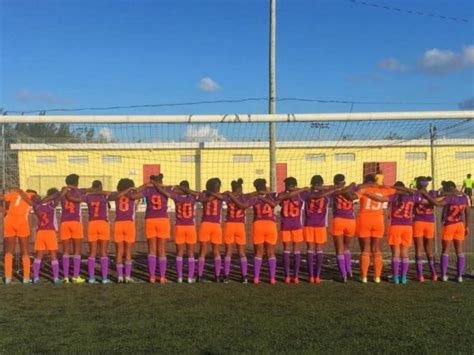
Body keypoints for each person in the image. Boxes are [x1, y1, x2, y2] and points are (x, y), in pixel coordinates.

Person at [364, 182, 418, 284]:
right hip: (408, 227)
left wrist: (366, 193)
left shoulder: (394, 197)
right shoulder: (412, 197)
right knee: (405, 253)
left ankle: (395, 277)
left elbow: (379, 199)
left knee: (395, 253)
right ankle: (404, 277)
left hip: (395, 226)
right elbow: (417, 193)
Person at [66, 180, 112, 284]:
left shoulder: (88, 196)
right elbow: (112, 193)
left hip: (92, 224)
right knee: (103, 252)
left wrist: (66, 189)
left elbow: (71, 198)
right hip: (103, 223)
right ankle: (104, 278)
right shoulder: (105, 196)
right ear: (100, 187)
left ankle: (91, 278)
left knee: (92, 252)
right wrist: (100, 192)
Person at [154, 180, 199, 283]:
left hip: (179, 227)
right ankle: (190, 277)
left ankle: (179, 277)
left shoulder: (176, 197)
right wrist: (186, 190)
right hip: (190, 227)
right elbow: (198, 194)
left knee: (179, 253)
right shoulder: (192, 197)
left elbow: (163, 191)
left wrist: (155, 184)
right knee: (191, 253)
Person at [18, 188, 64, 284]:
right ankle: (55, 278)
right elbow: (57, 196)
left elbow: (28, 200)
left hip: (40, 233)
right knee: (53, 256)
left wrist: (22, 193)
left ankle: (35, 277)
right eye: (36, 196)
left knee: (39, 256)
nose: (38, 196)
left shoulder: (36, 206)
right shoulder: (51, 205)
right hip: (49, 232)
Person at [357, 174, 396, 283]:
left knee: (365, 249)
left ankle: (364, 276)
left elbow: (355, 194)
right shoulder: (383, 190)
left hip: (364, 219)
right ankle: (377, 277)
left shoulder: (363, 189)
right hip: (378, 220)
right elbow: (394, 189)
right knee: (376, 249)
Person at [109, 178, 142, 283]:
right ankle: (127, 276)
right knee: (128, 251)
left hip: (118, 223)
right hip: (129, 224)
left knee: (119, 251)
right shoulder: (133, 195)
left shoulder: (116, 194)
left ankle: (119, 277)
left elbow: (112, 196)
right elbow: (135, 207)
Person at [0, 188, 37, 284]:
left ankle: (8, 278)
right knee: (25, 251)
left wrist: (3, 210)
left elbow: (1, 198)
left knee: (9, 251)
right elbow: (35, 203)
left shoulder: (15, 193)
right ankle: (26, 277)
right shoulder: (32, 195)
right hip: (22, 222)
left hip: (9, 221)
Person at [222, 178, 254, 283]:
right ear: (240, 188)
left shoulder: (227, 197)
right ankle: (244, 276)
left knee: (228, 252)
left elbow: (218, 195)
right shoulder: (244, 197)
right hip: (240, 226)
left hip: (229, 225)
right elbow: (257, 193)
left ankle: (226, 276)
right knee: (241, 252)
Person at [58, 174, 87, 284]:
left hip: (64, 222)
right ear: (77, 182)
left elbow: (59, 195)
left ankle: (65, 276)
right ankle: (75, 276)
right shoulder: (80, 191)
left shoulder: (63, 191)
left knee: (65, 251)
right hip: (75, 222)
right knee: (77, 251)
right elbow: (91, 190)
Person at [438, 181, 470, 282]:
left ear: (450, 188)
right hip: (460, 225)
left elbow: (438, 202)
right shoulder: (464, 197)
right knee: (459, 251)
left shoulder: (450, 197)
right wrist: (467, 226)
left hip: (449, 225)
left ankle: (443, 275)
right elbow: (467, 212)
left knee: (445, 250)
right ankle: (460, 276)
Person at [279, 177, 308, 284]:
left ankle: (287, 276)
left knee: (286, 249)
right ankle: (295, 276)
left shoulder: (282, 195)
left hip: (285, 225)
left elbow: (283, 197)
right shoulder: (301, 194)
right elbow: (308, 190)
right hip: (296, 226)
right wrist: (298, 189)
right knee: (296, 250)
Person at [250, 178, 278, 285]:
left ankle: (256, 277)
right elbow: (275, 203)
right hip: (270, 224)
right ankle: (272, 278)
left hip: (258, 224)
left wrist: (258, 194)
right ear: (265, 185)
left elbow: (245, 198)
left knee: (258, 252)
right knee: (271, 252)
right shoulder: (272, 195)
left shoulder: (253, 197)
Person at [197, 178, 226, 282]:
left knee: (202, 251)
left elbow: (199, 197)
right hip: (216, 225)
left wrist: (207, 192)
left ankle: (200, 275)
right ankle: (217, 276)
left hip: (205, 224)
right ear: (218, 188)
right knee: (216, 251)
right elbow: (224, 197)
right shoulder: (221, 196)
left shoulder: (204, 195)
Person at [331, 174, 358, 281]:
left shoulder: (334, 190)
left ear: (335, 182)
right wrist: (350, 185)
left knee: (339, 249)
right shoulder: (351, 189)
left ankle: (343, 275)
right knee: (346, 247)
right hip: (350, 221)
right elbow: (355, 186)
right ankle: (349, 270)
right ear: (344, 182)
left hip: (338, 220)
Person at [412, 176, 439, 282]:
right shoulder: (433, 194)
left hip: (418, 222)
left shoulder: (414, 194)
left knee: (418, 249)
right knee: (429, 249)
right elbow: (443, 196)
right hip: (430, 223)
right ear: (426, 184)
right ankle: (433, 274)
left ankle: (420, 275)